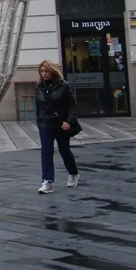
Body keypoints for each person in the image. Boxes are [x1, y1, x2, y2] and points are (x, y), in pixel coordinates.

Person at [34, 60, 80, 194]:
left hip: (61, 124)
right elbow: (38, 105)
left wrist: (69, 121)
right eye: (42, 71)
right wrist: (39, 121)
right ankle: (47, 181)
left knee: (64, 150)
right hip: (45, 123)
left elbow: (72, 105)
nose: (44, 74)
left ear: (52, 71)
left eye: (46, 71)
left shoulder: (63, 86)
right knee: (46, 152)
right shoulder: (38, 86)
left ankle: (73, 173)